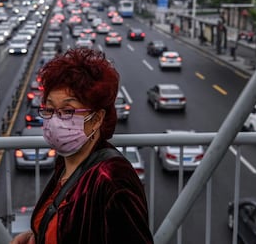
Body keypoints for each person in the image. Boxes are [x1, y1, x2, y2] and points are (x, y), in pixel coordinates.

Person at [11, 48, 153, 244]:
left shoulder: (113, 179)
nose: (55, 120)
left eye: (68, 111)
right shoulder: (66, 163)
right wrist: (37, 236)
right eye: (50, 109)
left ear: (96, 119)